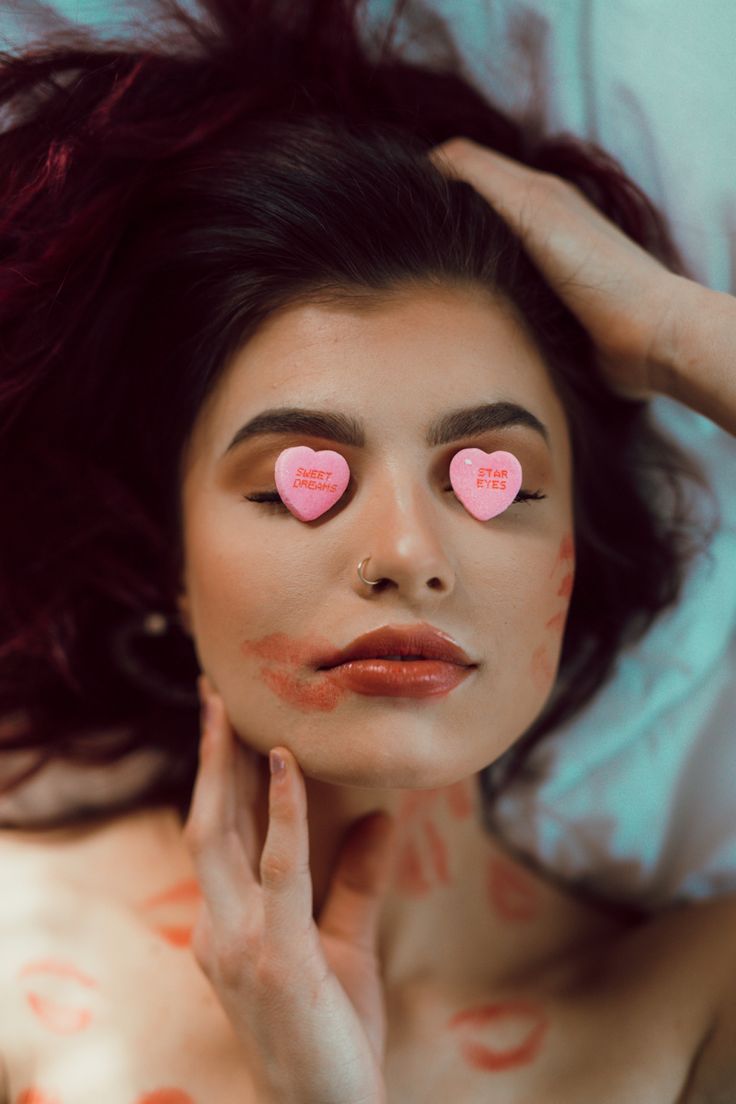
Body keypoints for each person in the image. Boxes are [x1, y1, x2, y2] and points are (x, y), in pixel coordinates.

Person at [0, 1, 735, 1101]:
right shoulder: (16, 948)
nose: (404, 551)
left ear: (571, 557)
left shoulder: (692, 1005)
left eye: (493, 482)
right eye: (304, 482)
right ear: (171, 560)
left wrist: (680, 336)